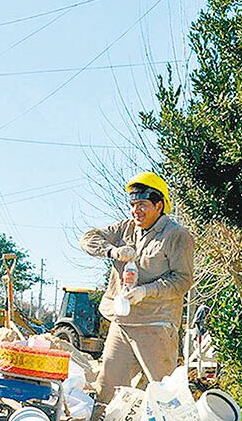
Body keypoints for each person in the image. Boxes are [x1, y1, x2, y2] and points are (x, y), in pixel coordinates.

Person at [80, 171, 194, 406]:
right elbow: (88, 238)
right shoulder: (125, 228)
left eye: (142, 204)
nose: (136, 211)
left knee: (164, 395)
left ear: (159, 205)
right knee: (106, 389)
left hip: (156, 326)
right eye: (133, 205)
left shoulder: (176, 236)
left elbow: (182, 280)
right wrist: (112, 251)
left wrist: (146, 291)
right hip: (122, 323)